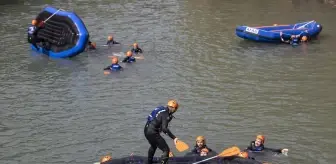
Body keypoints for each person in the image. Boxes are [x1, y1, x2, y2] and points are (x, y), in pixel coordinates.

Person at [144, 100, 180, 164]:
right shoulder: (166, 114)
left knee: (153, 146)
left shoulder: (161, 108)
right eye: (176, 109)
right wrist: (174, 138)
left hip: (146, 130)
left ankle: (149, 162)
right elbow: (164, 129)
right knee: (166, 150)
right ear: (174, 108)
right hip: (153, 132)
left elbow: (156, 120)